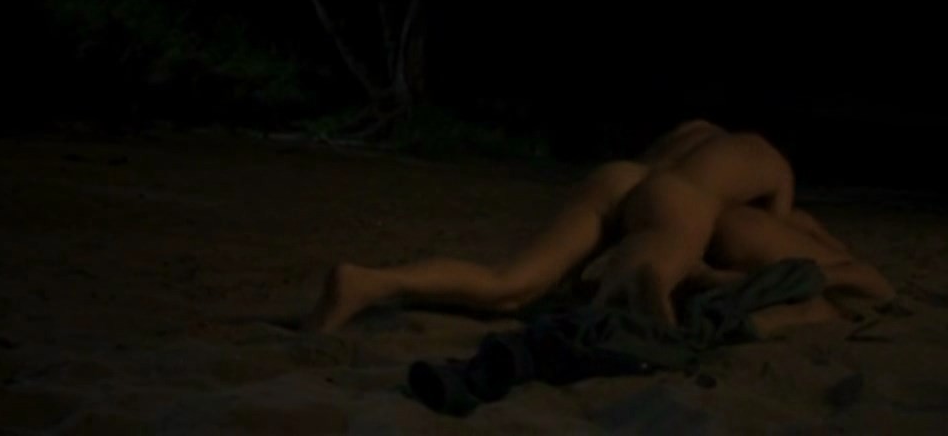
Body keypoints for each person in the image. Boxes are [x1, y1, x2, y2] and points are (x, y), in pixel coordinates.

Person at [303, 120, 894, 334]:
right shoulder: (773, 165)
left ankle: (369, 281)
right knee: (655, 283)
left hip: (617, 179)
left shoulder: (694, 132)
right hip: (680, 200)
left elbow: (646, 184)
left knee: (510, 283)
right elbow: (763, 235)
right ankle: (652, 314)